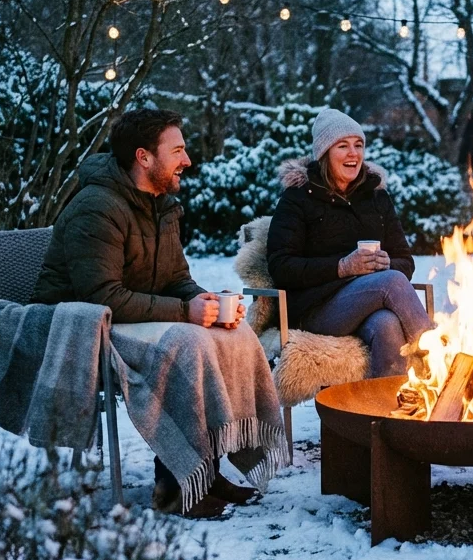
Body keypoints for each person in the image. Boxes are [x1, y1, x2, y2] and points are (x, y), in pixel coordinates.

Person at [33, 108, 284, 518]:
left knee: (231, 335)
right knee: (185, 343)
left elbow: (175, 278)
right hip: (79, 327)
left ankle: (205, 470)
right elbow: (102, 295)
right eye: (178, 150)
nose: (187, 160)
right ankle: (177, 489)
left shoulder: (161, 206)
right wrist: (186, 312)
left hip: (131, 319)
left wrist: (209, 303)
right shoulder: (96, 208)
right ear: (144, 157)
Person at [266, 109, 432, 378]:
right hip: (315, 309)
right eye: (343, 146)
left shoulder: (377, 199)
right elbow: (281, 266)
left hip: (369, 305)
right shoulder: (297, 199)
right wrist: (342, 267)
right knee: (391, 281)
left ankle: (382, 414)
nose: (353, 154)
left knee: (387, 325)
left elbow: (405, 262)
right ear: (324, 153)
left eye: (359, 145)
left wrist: (388, 262)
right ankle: (440, 363)